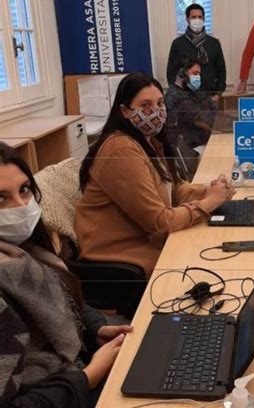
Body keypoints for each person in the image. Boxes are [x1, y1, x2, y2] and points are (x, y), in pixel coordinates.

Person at [0, 142, 133, 408]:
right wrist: (87, 378)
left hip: (69, 376)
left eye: (24, 190)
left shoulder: (23, 251)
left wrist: (95, 329)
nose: (21, 206)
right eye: (0, 198)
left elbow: (58, 298)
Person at [75, 73, 235, 277]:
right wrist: (208, 203)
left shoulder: (148, 140)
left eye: (160, 104)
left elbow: (173, 188)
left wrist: (210, 190)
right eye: (146, 106)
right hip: (123, 257)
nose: (156, 112)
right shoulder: (121, 150)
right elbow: (162, 223)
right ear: (124, 111)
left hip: (148, 243)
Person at [166, 3, 226, 104]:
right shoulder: (178, 43)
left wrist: (218, 95)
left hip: (209, 96)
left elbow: (221, 70)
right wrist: (178, 94)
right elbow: (171, 71)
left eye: (200, 17)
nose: (197, 20)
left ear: (204, 19)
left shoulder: (214, 43)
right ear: (187, 19)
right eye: (193, 17)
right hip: (185, 98)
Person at [165, 58, 217, 153]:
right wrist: (231, 125)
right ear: (182, 74)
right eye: (195, 73)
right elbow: (200, 120)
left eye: (199, 74)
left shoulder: (197, 91)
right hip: (192, 148)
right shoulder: (174, 95)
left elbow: (216, 111)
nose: (198, 77)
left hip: (207, 141)